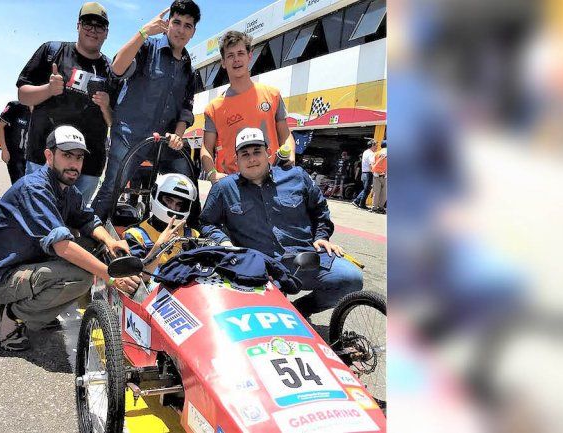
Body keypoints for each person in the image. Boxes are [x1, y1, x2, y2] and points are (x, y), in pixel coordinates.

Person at [0, 126, 141, 351]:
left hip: (27, 261)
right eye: (67, 155)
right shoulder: (35, 188)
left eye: (79, 158)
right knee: (81, 277)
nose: (74, 164)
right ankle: (10, 315)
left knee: (95, 247)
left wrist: (111, 242)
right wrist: (111, 277)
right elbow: (63, 247)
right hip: (1, 277)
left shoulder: (66, 188)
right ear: (49, 156)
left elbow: (87, 220)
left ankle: (34, 307)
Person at [200, 127, 363, 317]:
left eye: (257, 152)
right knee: (263, 319)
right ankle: (280, 308)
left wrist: (321, 236)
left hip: (305, 258)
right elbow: (206, 223)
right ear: (236, 160)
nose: (251, 159)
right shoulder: (223, 188)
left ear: (268, 153)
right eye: (245, 154)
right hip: (261, 267)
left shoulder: (297, 177)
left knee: (351, 279)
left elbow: (320, 210)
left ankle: (301, 311)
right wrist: (224, 242)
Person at [92, 0, 201, 223]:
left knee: (188, 179)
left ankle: (192, 231)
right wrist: (143, 32)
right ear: (167, 24)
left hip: (165, 143)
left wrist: (178, 136)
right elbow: (117, 68)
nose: (181, 30)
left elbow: (186, 109)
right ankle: (90, 232)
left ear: (193, 32)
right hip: (129, 136)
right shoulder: (146, 47)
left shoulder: (190, 68)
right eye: (176, 22)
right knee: (112, 187)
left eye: (187, 26)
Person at [16, 2, 119, 205]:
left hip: (88, 166)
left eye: (99, 26)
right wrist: (48, 89)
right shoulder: (52, 51)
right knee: (36, 221)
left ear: (106, 33)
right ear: (78, 25)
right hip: (43, 159)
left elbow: (114, 122)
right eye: (87, 23)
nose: (93, 30)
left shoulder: (112, 70)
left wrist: (106, 106)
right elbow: (22, 95)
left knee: (73, 226)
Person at [200, 31, 295, 184]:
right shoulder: (213, 109)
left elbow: (285, 135)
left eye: (240, 53)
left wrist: (290, 155)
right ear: (223, 62)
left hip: (272, 180)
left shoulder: (272, 95)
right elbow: (206, 148)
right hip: (234, 185)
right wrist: (212, 173)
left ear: (250, 56)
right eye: (230, 55)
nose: (236, 59)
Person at [124, 173, 200, 276]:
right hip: (151, 290)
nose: (173, 208)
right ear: (156, 196)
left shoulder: (193, 235)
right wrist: (160, 245)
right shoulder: (135, 235)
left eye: (179, 204)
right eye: (168, 200)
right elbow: (138, 278)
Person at [0, 101, 32, 185]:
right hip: (14, 155)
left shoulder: (40, 112)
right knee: (19, 185)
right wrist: (4, 150)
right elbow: (0, 127)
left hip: (29, 156)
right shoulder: (14, 107)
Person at [352, 138, 379, 209]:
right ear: (372, 145)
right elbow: (371, 164)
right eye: (376, 145)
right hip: (368, 174)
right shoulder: (371, 154)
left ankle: (357, 201)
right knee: (367, 190)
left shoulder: (365, 152)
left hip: (364, 173)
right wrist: (375, 173)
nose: (377, 147)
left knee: (366, 189)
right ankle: (361, 204)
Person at [370, 140, 387, 213]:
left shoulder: (376, 153)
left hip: (376, 175)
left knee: (376, 192)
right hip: (386, 176)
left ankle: (374, 208)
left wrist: (375, 172)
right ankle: (381, 207)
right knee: (384, 193)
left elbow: (371, 164)